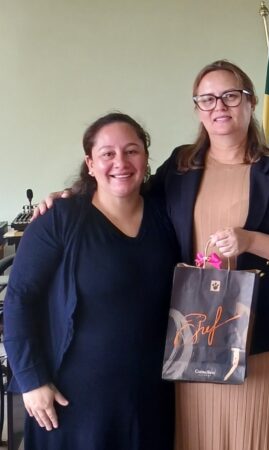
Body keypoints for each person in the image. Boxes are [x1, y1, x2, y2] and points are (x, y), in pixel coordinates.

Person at [146, 60, 269, 450]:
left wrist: (250, 240)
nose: (219, 107)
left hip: (263, 333)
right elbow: (131, 208)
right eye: (207, 99)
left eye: (230, 96)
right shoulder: (179, 167)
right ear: (197, 109)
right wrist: (72, 200)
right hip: (197, 333)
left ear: (249, 103)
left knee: (258, 437)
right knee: (199, 436)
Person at [4, 113, 178, 449]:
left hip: (150, 396)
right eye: (107, 154)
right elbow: (20, 299)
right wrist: (31, 380)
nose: (121, 163)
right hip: (72, 402)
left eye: (132, 151)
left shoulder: (166, 215)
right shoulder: (60, 219)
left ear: (146, 157)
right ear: (90, 163)